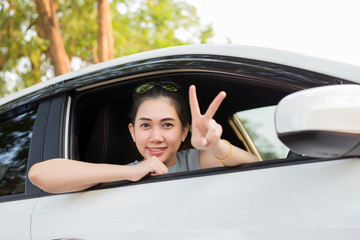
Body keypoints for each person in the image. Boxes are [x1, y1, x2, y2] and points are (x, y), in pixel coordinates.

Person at [28, 82, 258, 193]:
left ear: (184, 131)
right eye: (145, 125)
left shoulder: (196, 160)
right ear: (132, 132)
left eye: (167, 125)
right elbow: (38, 174)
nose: (156, 137)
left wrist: (215, 144)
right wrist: (130, 171)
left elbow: (255, 167)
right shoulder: (122, 174)